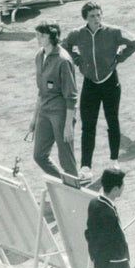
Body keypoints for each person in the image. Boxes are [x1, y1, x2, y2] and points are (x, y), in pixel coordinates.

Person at [61, 2, 135, 179]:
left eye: (98, 15)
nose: (96, 19)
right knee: (88, 125)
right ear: (85, 19)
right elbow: (64, 44)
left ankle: (114, 161)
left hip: (110, 82)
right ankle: (86, 167)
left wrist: (119, 58)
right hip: (90, 84)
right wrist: (77, 60)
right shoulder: (78, 34)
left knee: (112, 121)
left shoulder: (113, 32)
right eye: (92, 16)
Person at [30, 20, 81, 180]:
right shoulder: (39, 56)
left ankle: (75, 192)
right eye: (37, 35)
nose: (38, 38)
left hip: (61, 113)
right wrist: (34, 117)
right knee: (39, 155)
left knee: (66, 159)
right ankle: (64, 184)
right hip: (44, 111)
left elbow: (71, 96)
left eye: (42, 35)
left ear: (52, 36)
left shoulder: (63, 60)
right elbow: (41, 90)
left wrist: (68, 125)